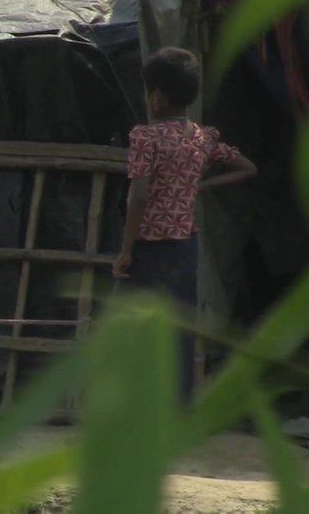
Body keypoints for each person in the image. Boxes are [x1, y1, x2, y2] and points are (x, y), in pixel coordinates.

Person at [112, 47, 257, 396]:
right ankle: (177, 409)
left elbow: (139, 196)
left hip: (148, 248)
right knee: (178, 332)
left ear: (157, 96)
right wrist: (203, 185)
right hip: (184, 248)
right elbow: (248, 168)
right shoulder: (202, 137)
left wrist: (126, 250)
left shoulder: (145, 137)